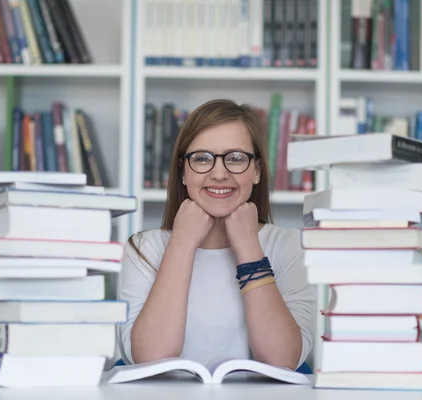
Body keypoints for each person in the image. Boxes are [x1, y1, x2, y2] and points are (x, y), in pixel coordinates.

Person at [118, 99, 316, 372]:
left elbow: (282, 361)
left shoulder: (290, 246)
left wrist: (248, 246)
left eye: (235, 158)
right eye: (202, 158)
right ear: (183, 172)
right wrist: (182, 243)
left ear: (257, 170)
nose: (219, 173)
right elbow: (150, 359)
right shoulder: (143, 248)